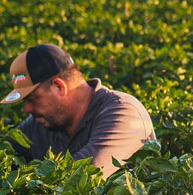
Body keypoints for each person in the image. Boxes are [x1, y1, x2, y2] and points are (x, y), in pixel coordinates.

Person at [2, 44, 155, 178]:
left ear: (59, 87)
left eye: (32, 99)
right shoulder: (40, 123)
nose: (27, 109)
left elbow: (80, 177)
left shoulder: (123, 113)